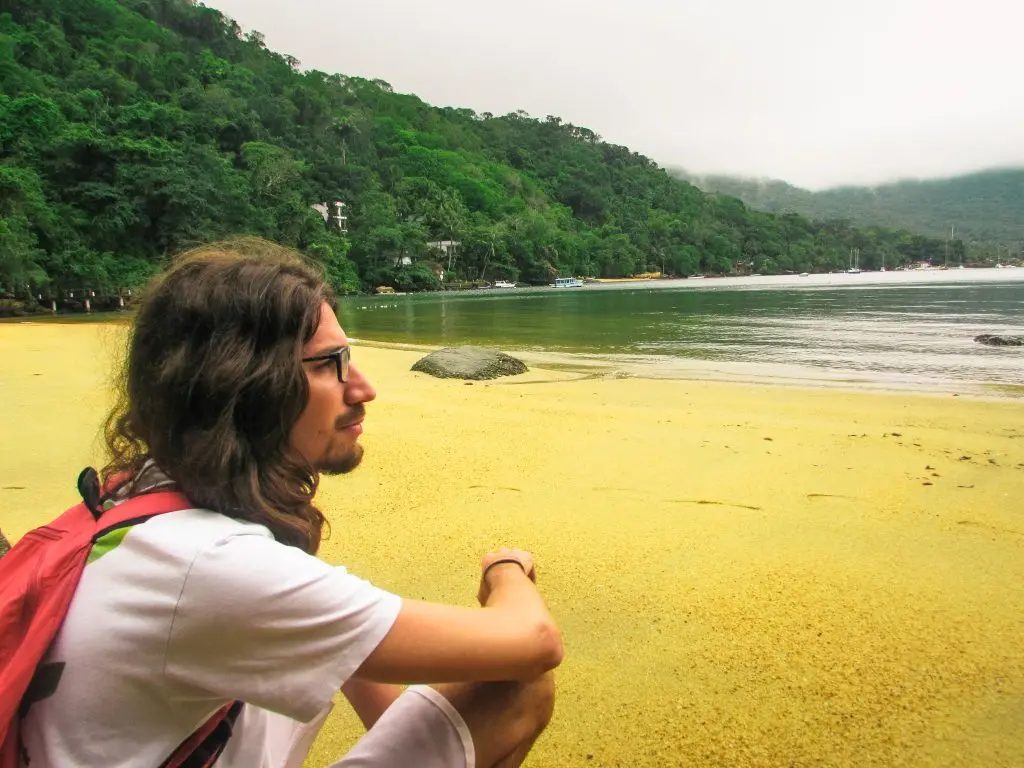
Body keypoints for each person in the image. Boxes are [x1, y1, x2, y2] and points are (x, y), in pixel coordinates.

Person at [19, 239, 563, 768]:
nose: (364, 389)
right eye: (330, 364)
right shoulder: (208, 563)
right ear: (244, 383)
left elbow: (361, 679)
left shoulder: (140, 496)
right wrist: (507, 571)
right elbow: (534, 642)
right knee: (516, 686)